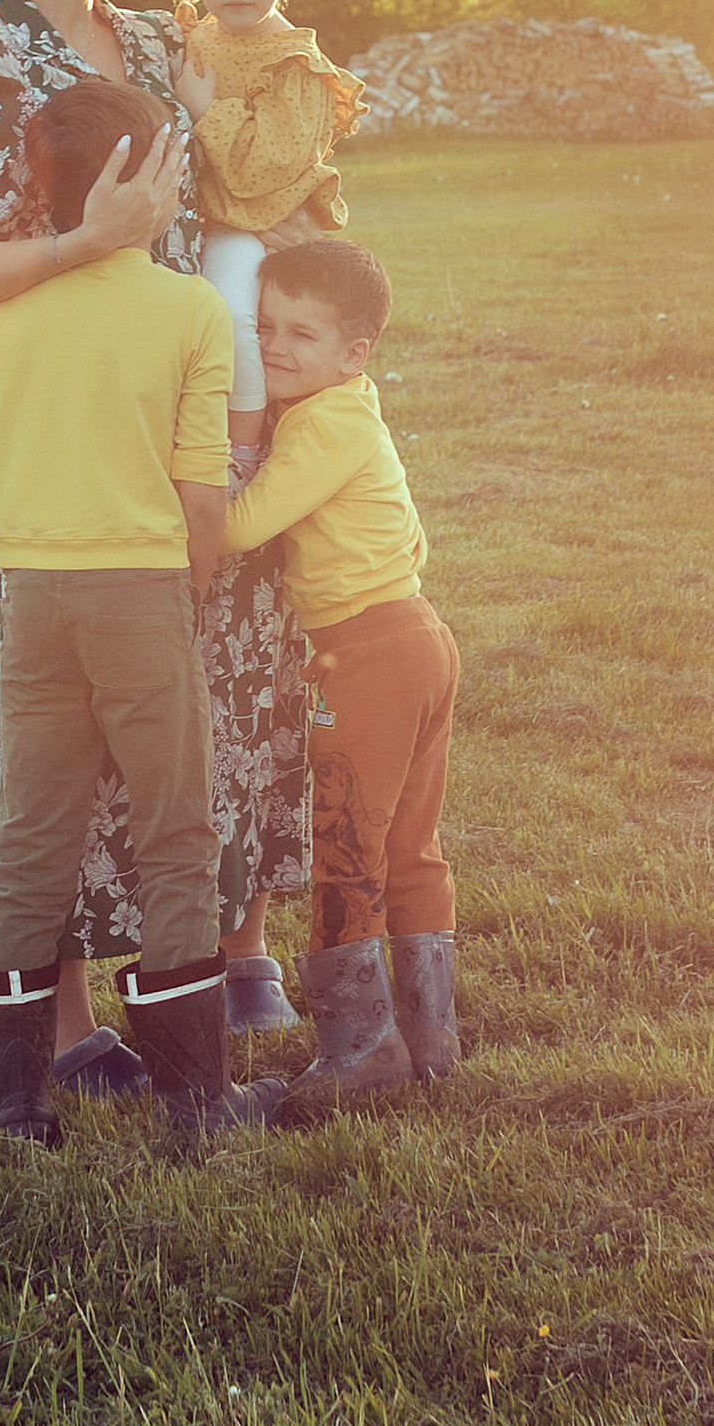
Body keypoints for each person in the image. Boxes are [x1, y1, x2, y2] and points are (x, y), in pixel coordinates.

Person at [0, 0, 311, 1082]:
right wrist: (86, 245)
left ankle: (202, 976)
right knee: (55, 737)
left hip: (194, 417)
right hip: (67, 444)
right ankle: (66, 1027)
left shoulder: (158, 31)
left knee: (213, 707)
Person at [0, 79, 283, 1148]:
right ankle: (197, 1107)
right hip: (141, 602)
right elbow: (202, 490)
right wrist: (195, 587)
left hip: (32, 602)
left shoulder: (9, 307)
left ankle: (13, 1107)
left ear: (46, 191)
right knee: (177, 842)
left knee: (31, 844)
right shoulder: (189, 312)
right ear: (150, 182)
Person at [224, 237, 462, 1122]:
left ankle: (359, 1048)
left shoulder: (320, 424)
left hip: (365, 655)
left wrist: (185, 490)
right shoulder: (354, 410)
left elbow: (244, 525)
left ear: (355, 353)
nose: (276, 347)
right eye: (265, 327)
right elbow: (406, 537)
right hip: (417, 634)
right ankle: (431, 1040)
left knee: (349, 847)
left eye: (303, 334)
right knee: (409, 843)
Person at [148, 0, 362, 463]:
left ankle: (238, 452)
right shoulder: (196, 38)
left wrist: (206, 108)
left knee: (230, 310)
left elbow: (256, 172)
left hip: (255, 225)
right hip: (200, 221)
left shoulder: (295, 62)